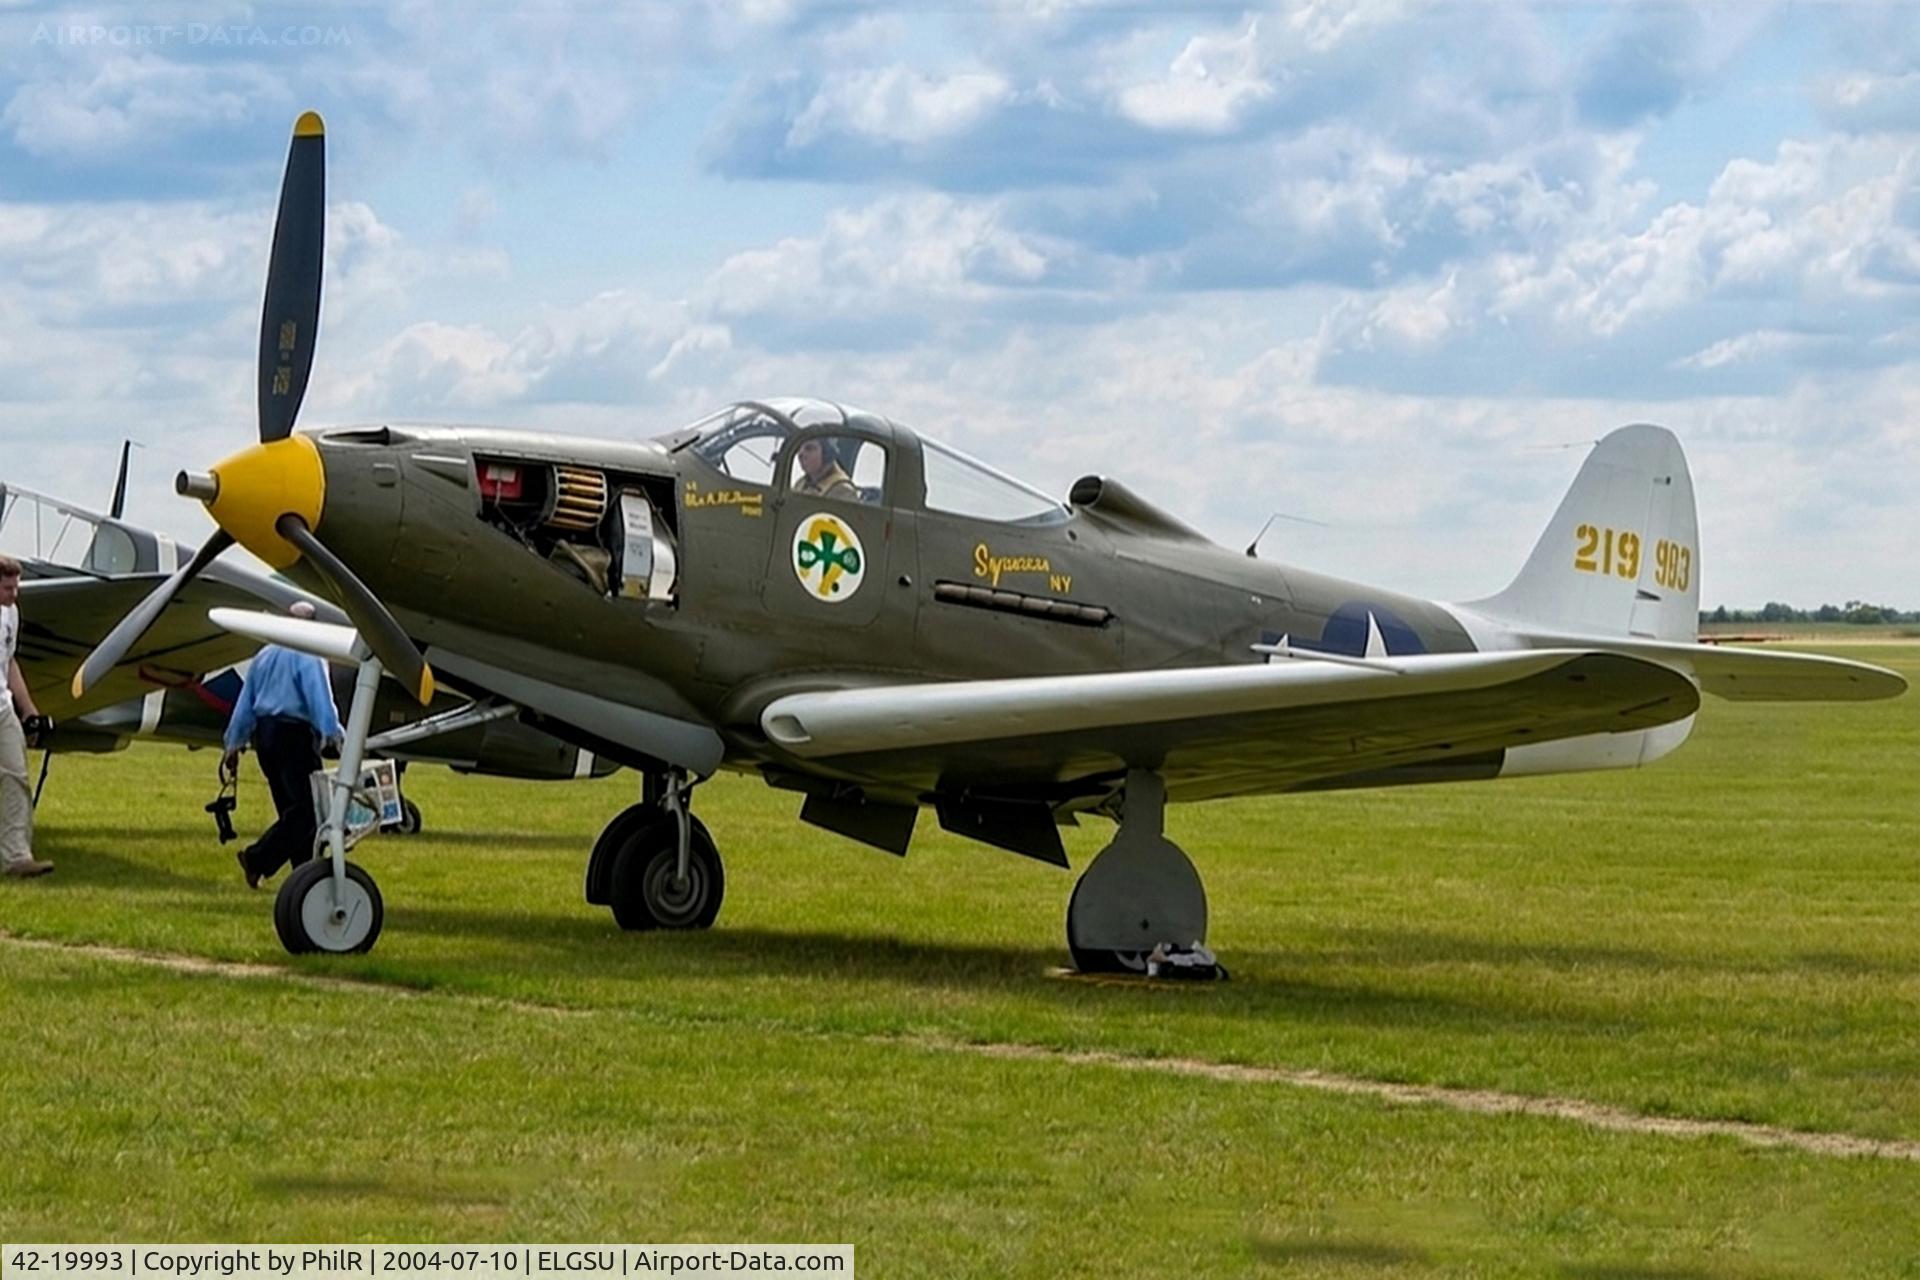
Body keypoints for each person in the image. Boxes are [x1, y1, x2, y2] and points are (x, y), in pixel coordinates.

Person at [222, 601, 342, 889]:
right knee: (310, 811)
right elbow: (319, 699)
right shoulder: (308, 654)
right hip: (295, 736)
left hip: (265, 737)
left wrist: (233, 744)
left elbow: (245, 704)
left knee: (291, 810)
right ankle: (257, 858)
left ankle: (304, 877)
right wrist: (333, 734)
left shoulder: (263, 656)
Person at [0, 554, 54, 878]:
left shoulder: (11, 614)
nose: (14, 594)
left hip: (2, 706)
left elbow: (10, 661)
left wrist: (28, 709)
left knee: (16, 776)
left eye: (16, 587)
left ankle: (17, 857)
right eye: (7, 588)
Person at [793, 437, 858, 501]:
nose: (800, 454)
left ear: (827, 453)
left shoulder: (843, 491)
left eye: (809, 448)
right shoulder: (801, 483)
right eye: (799, 448)